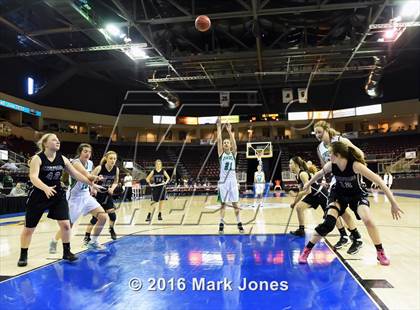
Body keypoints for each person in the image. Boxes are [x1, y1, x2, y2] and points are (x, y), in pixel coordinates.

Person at [299, 141, 404, 265]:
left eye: (330, 153)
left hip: (357, 195)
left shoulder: (356, 165)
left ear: (338, 155)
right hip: (338, 195)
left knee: (368, 220)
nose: (328, 156)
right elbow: (319, 174)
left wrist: (393, 203)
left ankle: (380, 252)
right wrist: (308, 183)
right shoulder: (331, 165)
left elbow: (379, 181)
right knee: (328, 223)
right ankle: (307, 250)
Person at [17, 134, 98, 267]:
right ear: (45, 144)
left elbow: (76, 174)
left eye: (58, 140)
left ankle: (67, 252)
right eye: (54, 140)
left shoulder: (63, 158)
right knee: (29, 229)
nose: (58, 141)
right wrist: (45, 188)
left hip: (57, 194)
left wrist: (92, 184)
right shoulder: (37, 158)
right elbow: (33, 177)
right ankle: (23, 254)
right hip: (39, 195)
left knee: (66, 225)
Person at [314, 120, 363, 252]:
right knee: (336, 209)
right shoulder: (319, 148)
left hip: (349, 178)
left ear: (326, 130)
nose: (317, 135)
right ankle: (350, 236)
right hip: (336, 179)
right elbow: (325, 165)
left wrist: (357, 168)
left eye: (319, 132)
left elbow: (359, 153)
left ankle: (351, 236)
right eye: (315, 133)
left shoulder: (340, 140)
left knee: (338, 209)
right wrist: (325, 178)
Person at [50, 144, 107, 253]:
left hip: (86, 195)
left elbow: (90, 180)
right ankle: (54, 240)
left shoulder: (90, 163)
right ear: (80, 152)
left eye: (89, 152)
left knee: (103, 217)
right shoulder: (75, 162)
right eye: (85, 151)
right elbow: (87, 175)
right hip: (74, 198)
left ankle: (93, 241)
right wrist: (96, 178)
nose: (87, 154)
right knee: (68, 225)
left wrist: (93, 187)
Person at [84, 151, 119, 243]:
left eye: (115, 159)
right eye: (111, 158)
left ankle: (111, 229)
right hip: (98, 195)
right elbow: (89, 179)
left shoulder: (116, 169)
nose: (113, 160)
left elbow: (115, 181)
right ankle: (87, 236)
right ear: (106, 159)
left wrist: (112, 188)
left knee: (113, 216)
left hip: (107, 194)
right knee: (96, 218)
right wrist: (93, 188)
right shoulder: (100, 168)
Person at [288, 157, 329, 237]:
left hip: (320, 193)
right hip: (313, 195)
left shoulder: (302, 174)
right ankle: (301, 230)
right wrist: (294, 203)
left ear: (296, 164)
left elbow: (308, 191)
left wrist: (297, 195)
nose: (289, 165)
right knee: (299, 207)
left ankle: (346, 233)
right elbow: (301, 192)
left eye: (291, 163)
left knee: (330, 214)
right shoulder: (297, 176)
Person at [216, 118, 243, 234]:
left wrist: (230, 131)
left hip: (232, 182)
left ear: (230, 145)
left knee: (235, 204)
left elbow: (235, 144)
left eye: (227, 143)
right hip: (223, 182)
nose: (226, 143)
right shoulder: (221, 154)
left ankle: (239, 223)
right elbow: (218, 140)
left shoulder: (233, 154)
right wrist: (218, 127)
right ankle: (221, 223)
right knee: (223, 205)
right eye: (224, 143)